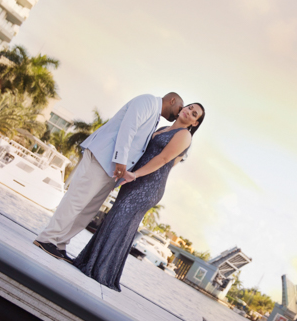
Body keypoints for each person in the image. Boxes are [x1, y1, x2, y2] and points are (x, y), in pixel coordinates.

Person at [33, 92, 184, 260]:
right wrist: (121, 160)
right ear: (172, 100)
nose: (179, 113)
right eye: (180, 108)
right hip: (102, 157)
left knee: (88, 210)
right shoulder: (147, 101)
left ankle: (60, 243)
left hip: (112, 170)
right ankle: (46, 238)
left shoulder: (156, 116)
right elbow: (129, 128)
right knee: (77, 201)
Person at [72, 103, 204, 291]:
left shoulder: (184, 135)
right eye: (189, 107)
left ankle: (99, 270)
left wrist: (136, 175)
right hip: (135, 179)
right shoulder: (163, 128)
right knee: (116, 220)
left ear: (195, 122)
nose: (188, 111)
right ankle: (93, 264)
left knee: (120, 221)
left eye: (194, 114)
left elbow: (165, 160)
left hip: (148, 184)